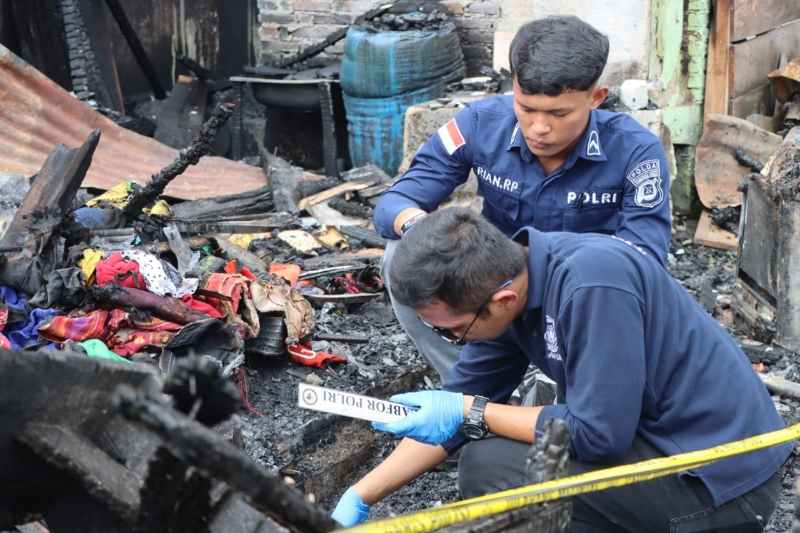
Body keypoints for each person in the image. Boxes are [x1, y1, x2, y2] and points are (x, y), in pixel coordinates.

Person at [332, 207, 791, 531]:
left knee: (495, 465)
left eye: (452, 332)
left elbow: (597, 434)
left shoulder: (594, 283)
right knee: (489, 444)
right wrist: (359, 496)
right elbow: (454, 416)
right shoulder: (512, 286)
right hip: (658, 447)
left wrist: (472, 413)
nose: (452, 343)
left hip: (720, 485)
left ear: (502, 300)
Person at [375, 15, 672, 384]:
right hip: (492, 294)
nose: (539, 128)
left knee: (585, 418)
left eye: (559, 113)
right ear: (513, 88)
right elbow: (395, 201)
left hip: (581, 298)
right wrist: (421, 229)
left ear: (596, 98)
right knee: (401, 254)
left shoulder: (635, 152)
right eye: (526, 108)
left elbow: (645, 258)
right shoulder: (481, 123)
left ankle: (572, 387)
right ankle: (464, 376)